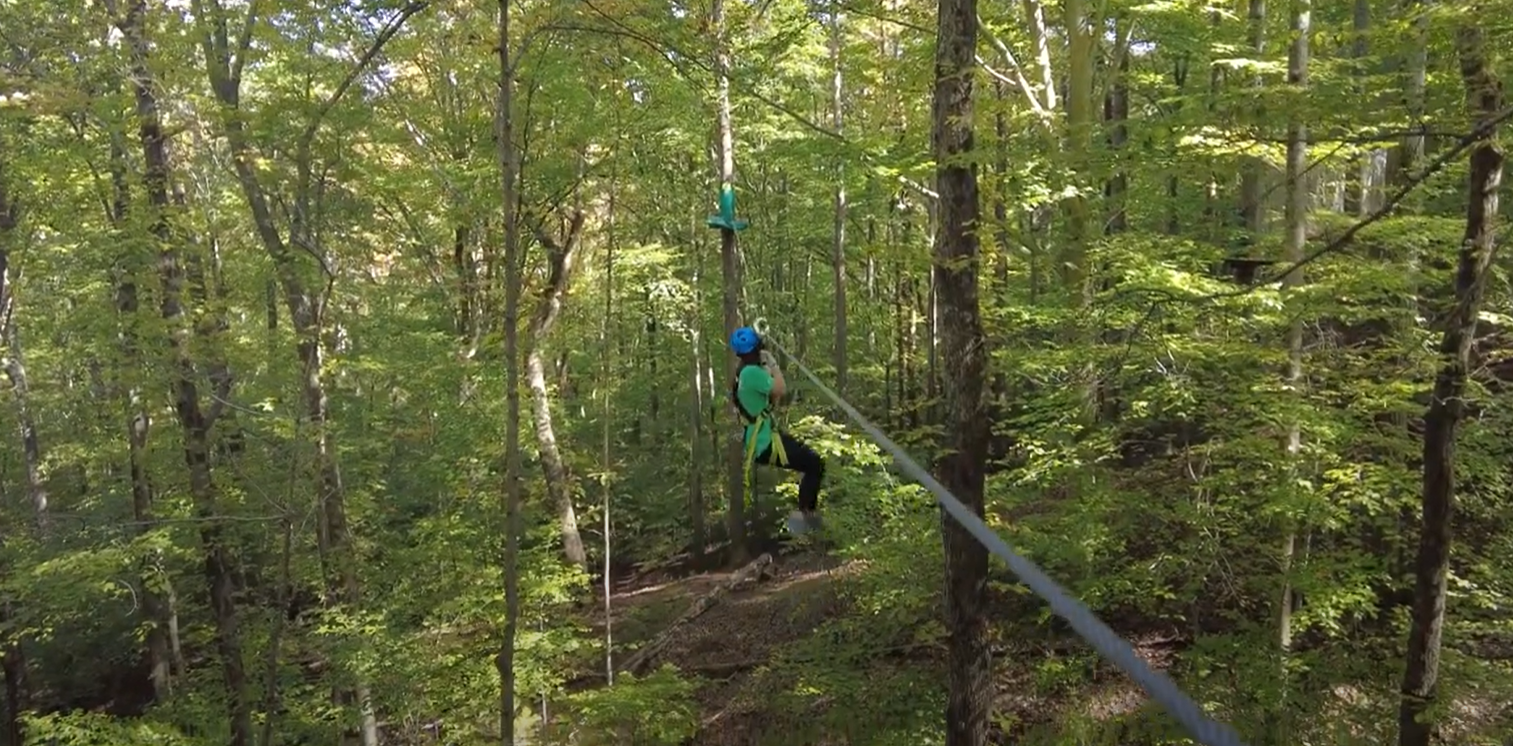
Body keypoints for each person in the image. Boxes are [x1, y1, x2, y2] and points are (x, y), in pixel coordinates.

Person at [728, 325, 826, 534]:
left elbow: (774, 397)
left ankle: (806, 517)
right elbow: (781, 388)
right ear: (757, 348)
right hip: (765, 443)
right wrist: (772, 362)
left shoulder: (744, 373)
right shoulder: (752, 373)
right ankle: (804, 520)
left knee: (811, 462)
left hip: (764, 439)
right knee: (814, 463)